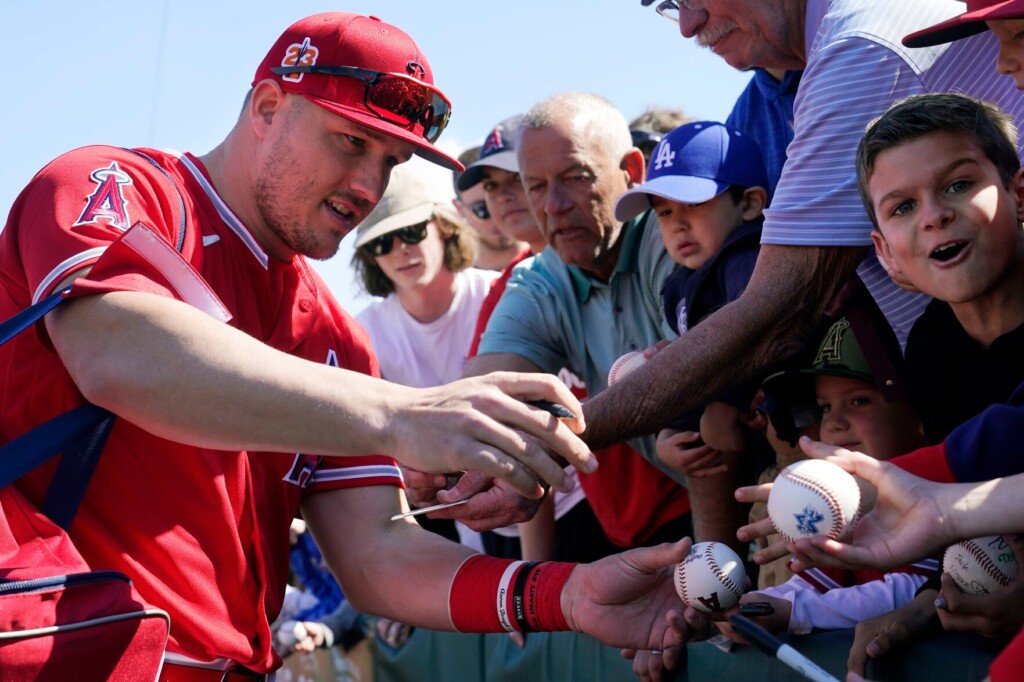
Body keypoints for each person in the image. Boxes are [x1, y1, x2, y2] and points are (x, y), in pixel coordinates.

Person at [0, 12, 693, 675]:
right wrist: (399, 413)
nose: (369, 186)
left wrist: (562, 595)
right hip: (62, 652)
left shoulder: (334, 337)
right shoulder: (119, 186)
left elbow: (376, 552)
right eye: (350, 141)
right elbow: (119, 355)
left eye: (391, 161)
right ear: (268, 106)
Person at [582, 0, 1024, 466]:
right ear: (884, 251)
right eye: (672, 6)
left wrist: (555, 440)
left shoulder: (860, 47)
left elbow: (775, 314)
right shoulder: (932, 347)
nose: (688, 26)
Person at [613, 119, 772, 556]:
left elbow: (759, 329)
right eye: (664, 212)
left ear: (750, 203)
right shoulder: (680, 285)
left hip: (802, 438)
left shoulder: (748, 256)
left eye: (693, 204)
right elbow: (698, 370)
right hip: (751, 459)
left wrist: (727, 401)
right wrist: (674, 432)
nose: (677, 225)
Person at [856, 93, 1024, 444]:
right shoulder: (928, 347)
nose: (934, 216)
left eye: (959, 185)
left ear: (1019, 195)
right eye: (903, 207)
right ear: (886, 252)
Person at [452, 145, 523, 271]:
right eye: (482, 208)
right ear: (459, 209)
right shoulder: (458, 286)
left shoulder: (559, 261)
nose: (497, 214)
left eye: (506, 200)